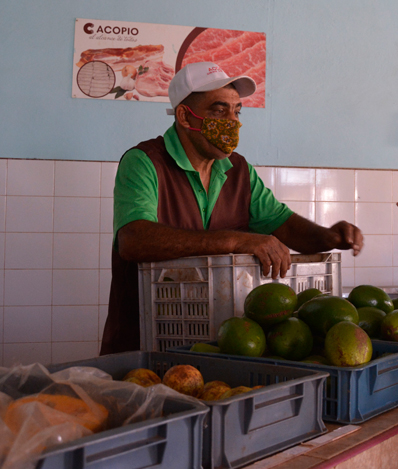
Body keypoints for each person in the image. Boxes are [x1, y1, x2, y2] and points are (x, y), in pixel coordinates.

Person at [102, 62, 363, 355]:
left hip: (224, 346)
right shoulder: (144, 162)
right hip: (145, 345)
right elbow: (134, 240)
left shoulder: (238, 170)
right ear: (185, 117)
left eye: (236, 111)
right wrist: (235, 240)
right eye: (218, 110)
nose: (232, 121)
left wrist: (329, 237)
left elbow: (282, 223)